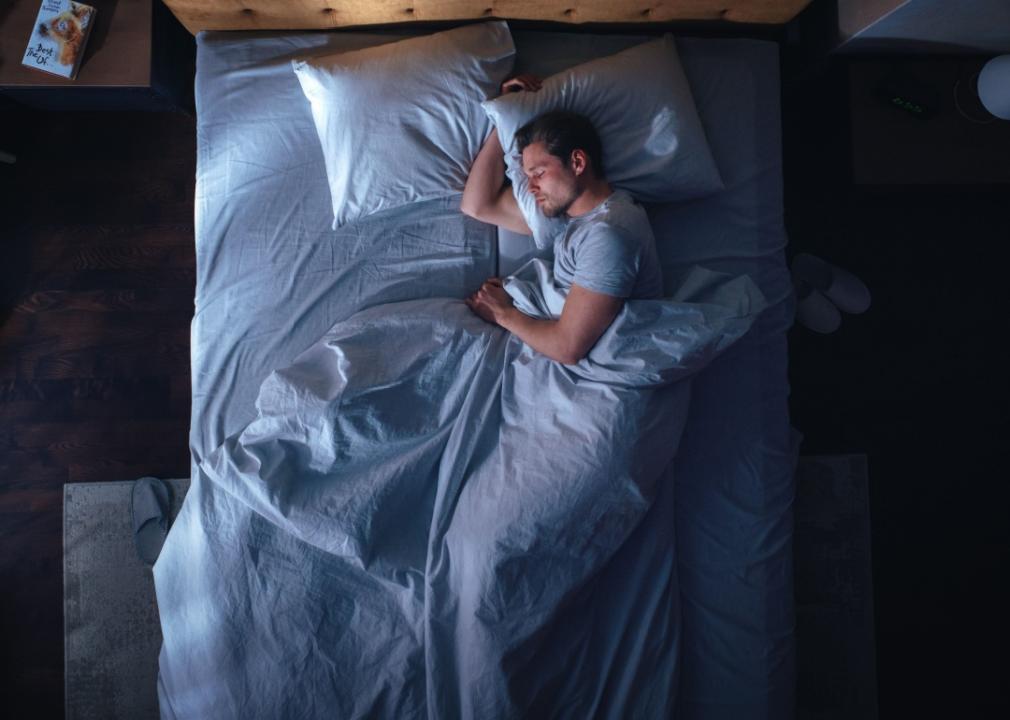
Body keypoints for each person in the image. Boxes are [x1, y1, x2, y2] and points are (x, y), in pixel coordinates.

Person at [462, 75, 663, 365]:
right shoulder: (572, 220)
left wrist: (503, 313)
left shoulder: (610, 233)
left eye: (539, 174)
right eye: (528, 176)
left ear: (578, 163)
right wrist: (505, 116)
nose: (530, 188)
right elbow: (476, 205)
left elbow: (568, 348)